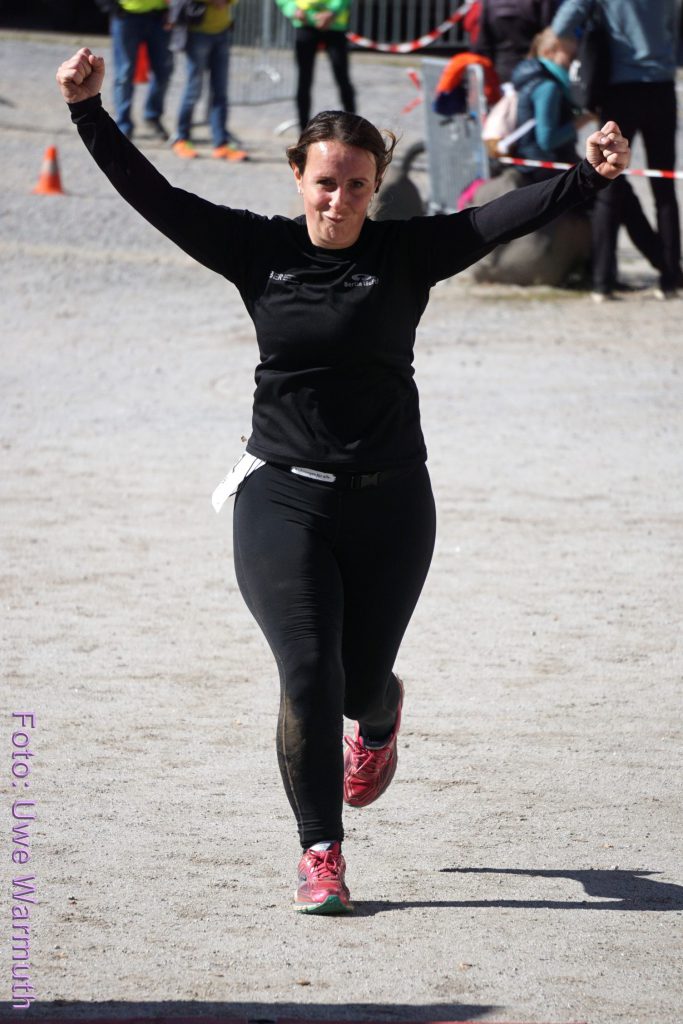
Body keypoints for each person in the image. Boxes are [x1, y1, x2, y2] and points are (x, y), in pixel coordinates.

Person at [56, 46, 630, 915]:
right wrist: (88, 111)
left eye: (356, 185)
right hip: (281, 495)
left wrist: (587, 175)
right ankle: (320, 853)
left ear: (375, 186)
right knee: (307, 673)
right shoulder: (256, 249)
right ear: (297, 177)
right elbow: (157, 197)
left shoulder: (406, 252)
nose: (338, 199)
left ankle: (382, 712)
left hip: (392, 500)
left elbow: (498, 218)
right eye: (324, 182)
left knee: (360, 683)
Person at [552, 0, 682, 299]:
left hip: (620, 88)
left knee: (607, 182)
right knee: (664, 188)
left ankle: (603, 281)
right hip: (662, 86)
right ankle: (670, 279)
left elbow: (562, 24)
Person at [168, 0, 247, 161]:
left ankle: (221, 143)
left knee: (220, 91)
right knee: (193, 90)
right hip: (198, 32)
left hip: (222, 31)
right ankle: (182, 138)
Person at [96, 0, 174, 140]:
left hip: (158, 16)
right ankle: (123, 124)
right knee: (124, 73)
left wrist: (173, 10)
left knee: (163, 72)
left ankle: (153, 116)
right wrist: (111, 6)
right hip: (127, 16)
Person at [273, 0, 356, 130]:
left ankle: (353, 128)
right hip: (305, 23)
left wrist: (332, 12)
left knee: (342, 77)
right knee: (304, 80)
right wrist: (293, 9)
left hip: (335, 24)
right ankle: (303, 132)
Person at [476, 0, 559, 84]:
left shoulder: (489, 2)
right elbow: (549, 36)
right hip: (534, 72)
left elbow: (482, 46)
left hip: (501, 73)